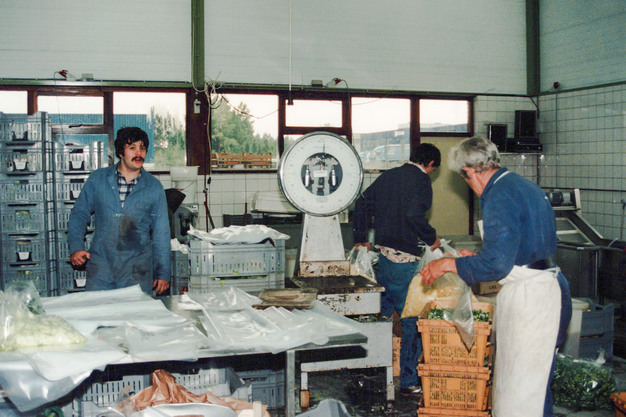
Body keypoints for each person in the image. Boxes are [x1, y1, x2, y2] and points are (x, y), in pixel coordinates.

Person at [420, 136, 572, 417]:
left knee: (523, 394)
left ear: (470, 171)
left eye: (464, 178)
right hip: (546, 287)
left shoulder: (498, 195)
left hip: (533, 298)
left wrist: (449, 265)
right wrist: (473, 260)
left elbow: (498, 264)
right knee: (535, 386)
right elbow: (515, 252)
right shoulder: (520, 185)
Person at [352, 142, 442, 397]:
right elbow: (414, 214)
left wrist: (361, 237)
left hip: (384, 255)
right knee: (411, 318)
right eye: (433, 169)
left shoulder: (389, 175)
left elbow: (361, 203)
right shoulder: (422, 180)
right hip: (404, 258)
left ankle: (369, 369)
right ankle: (409, 381)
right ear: (430, 164)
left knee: (382, 314)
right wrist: (432, 237)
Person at [68, 127, 171, 295]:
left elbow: (162, 233)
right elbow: (79, 214)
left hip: (137, 271)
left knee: (134, 312)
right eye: (132, 148)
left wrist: (163, 272)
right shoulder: (98, 179)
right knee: (98, 311)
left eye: (142, 148)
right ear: (120, 152)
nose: (139, 153)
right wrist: (76, 247)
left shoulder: (154, 187)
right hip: (101, 268)